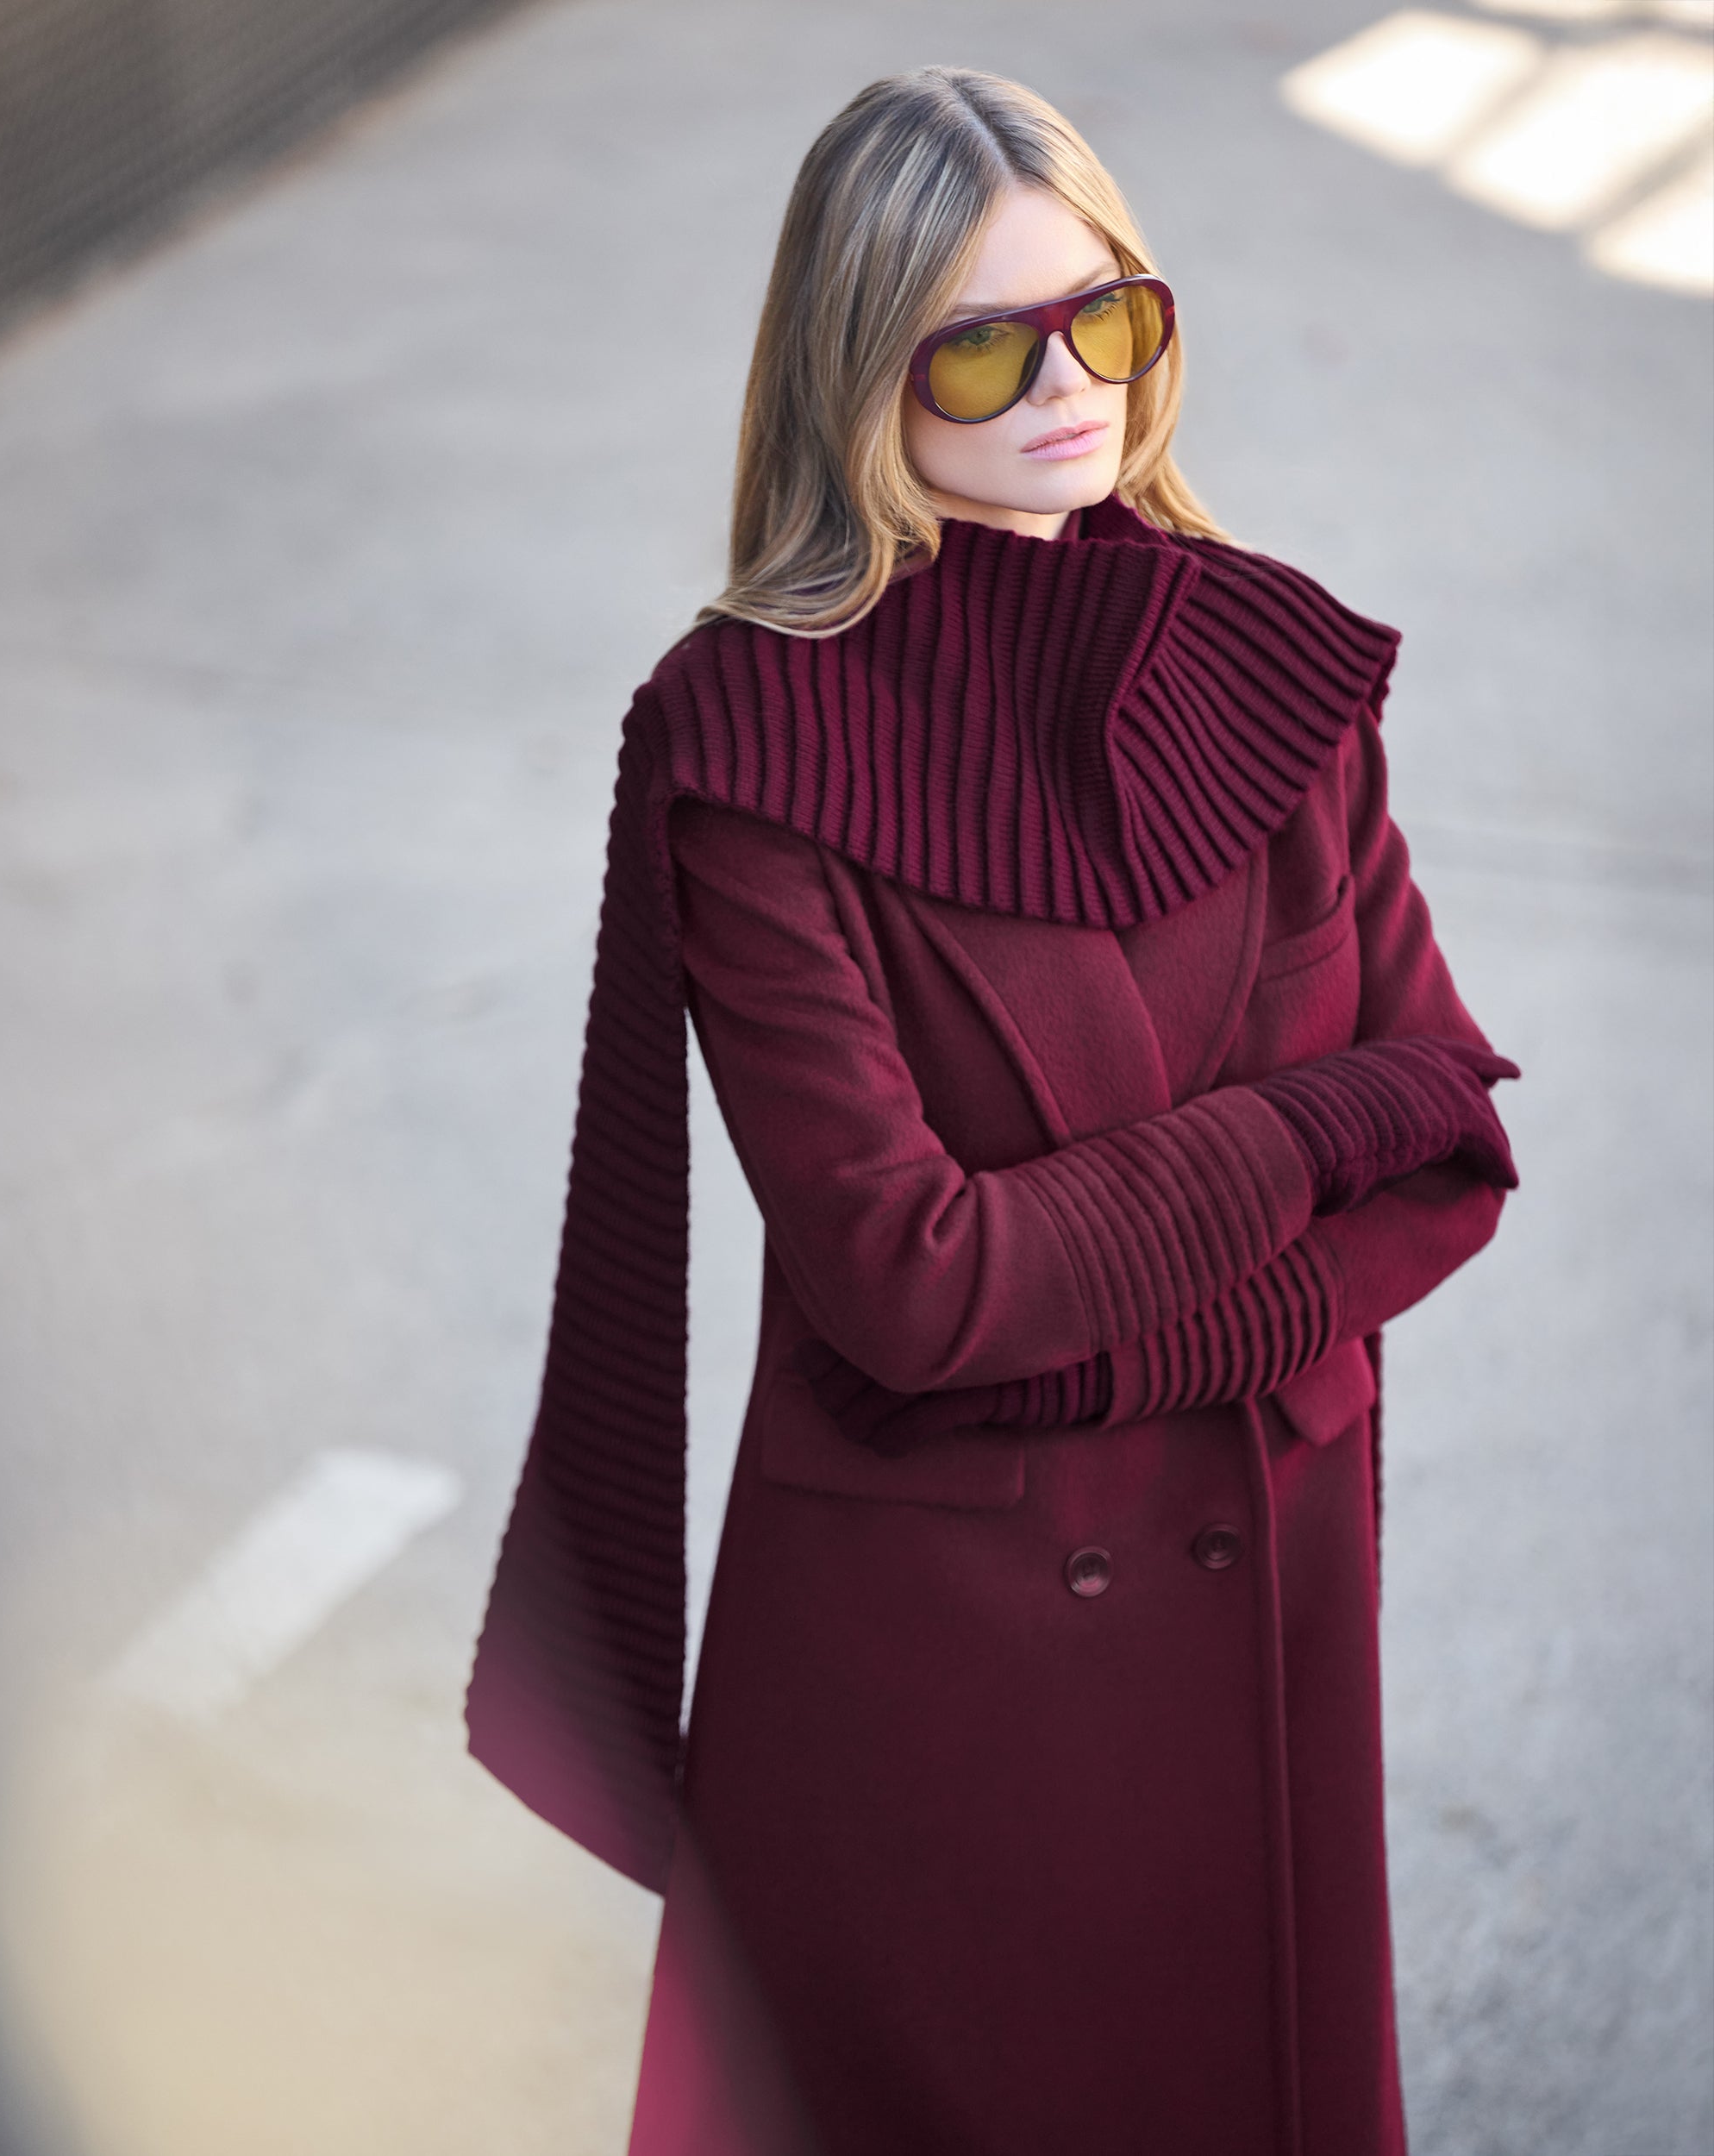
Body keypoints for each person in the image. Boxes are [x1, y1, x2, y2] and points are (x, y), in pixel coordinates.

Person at [466, 66, 1518, 2156]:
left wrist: (1188, 1250)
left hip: (1261, 1620)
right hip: (928, 1680)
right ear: (861, 372)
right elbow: (910, 1277)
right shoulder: (749, 740)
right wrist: (1304, 1131)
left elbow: (1451, 1149)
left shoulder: (1271, 662)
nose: (1068, 387)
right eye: (979, 342)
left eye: (1104, 315)